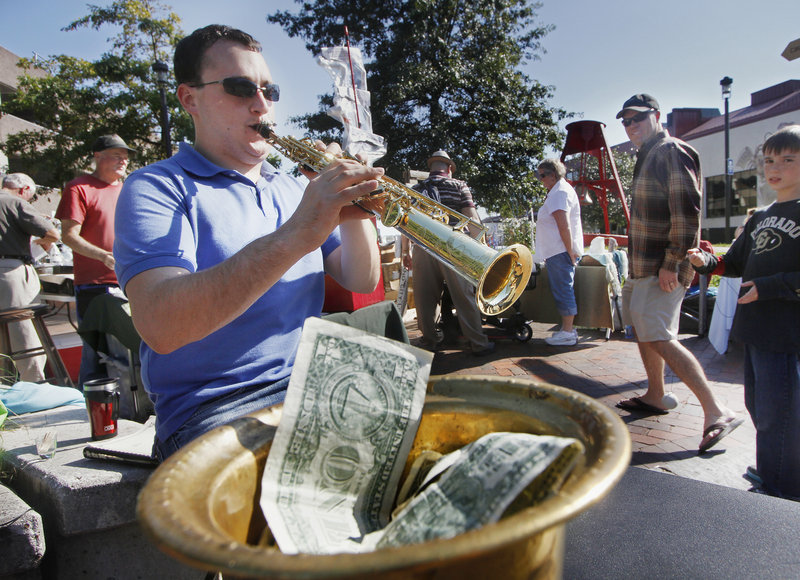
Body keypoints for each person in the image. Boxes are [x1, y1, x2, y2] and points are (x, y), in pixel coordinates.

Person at [113, 25, 382, 460]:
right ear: (189, 98)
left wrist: (355, 212)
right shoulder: (156, 187)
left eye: (269, 90)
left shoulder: (296, 187)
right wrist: (298, 235)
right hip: (216, 407)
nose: (262, 105)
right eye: (240, 88)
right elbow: (161, 326)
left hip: (313, 384)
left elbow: (360, 277)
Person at [613, 93, 741, 453]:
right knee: (647, 333)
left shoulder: (671, 150)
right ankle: (657, 395)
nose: (631, 125)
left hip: (661, 265)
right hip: (642, 264)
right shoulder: (648, 154)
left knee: (660, 335)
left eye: (637, 118)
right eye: (625, 121)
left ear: (656, 115)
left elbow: (686, 211)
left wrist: (673, 262)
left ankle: (718, 410)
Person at [688, 124, 800, 500]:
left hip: (787, 334)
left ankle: (781, 489)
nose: (775, 168)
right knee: (760, 408)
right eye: (770, 160)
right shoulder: (760, 216)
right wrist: (706, 262)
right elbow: (733, 263)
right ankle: (773, 471)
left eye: (788, 159)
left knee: (779, 414)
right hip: (755, 331)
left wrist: (769, 287)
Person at [56, 134, 133, 388]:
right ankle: (95, 408)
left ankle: (132, 404)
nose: (123, 160)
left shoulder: (129, 190)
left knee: (134, 349)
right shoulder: (79, 188)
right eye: (116, 154)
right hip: (95, 284)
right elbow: (68, 235)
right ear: (97, 156)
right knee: (96, 353)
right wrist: (103, 256)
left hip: (131, 280)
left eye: (125, 155)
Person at [401, 151, 494, 355]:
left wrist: (405, 252)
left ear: (432, 168)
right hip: (454, 246)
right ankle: (478, 343)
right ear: (449, 168)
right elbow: (471, 216)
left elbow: (404, 222)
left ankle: (430, 340)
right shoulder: (459, 185)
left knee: (424, 298)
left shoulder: (415, 189)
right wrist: (485, 249)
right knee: (464, 296)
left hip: (422, 246)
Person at [0, 173, 60, 381]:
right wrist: (37, 241)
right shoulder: (14, 202)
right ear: (24, 189)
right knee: (23, 330)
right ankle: (33, 383)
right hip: (10, 272)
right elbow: (52, 234)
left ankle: (5, 386)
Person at [535, 158, 584, 346]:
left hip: (560, 250)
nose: (540, 180)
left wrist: (570, 251)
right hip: (559, 250)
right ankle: (566, 329)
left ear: (552, 175)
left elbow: (564, 226)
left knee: (563, 289)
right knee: (563, 288)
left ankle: (568, 332)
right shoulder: (559, 191)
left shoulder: (559, 193)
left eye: (542, 175)